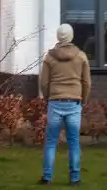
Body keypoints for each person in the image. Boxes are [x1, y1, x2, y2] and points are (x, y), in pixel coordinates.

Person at [39, 23, 91, 186]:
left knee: (51, 142)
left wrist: (48, 97)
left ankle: (47, 177)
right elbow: (87, 82)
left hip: (55, 102)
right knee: (74, 142)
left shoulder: (49, 57)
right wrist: (84, 99)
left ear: (57, 37)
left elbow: (44, 82)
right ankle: (75, 178)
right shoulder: (81, 56)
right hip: (74, 102)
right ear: (71, 36)